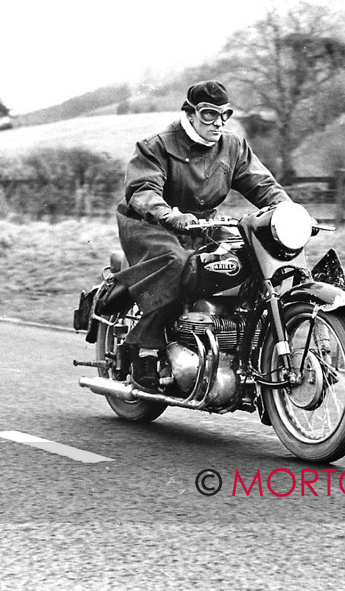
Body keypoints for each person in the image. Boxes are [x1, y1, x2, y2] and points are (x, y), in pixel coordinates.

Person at [113, 80, 292, 391]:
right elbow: (143, 193)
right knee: (177, 265)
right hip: (150, 225)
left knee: (245, 258)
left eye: (224, 114)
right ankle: (140, 348)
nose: (218, 122)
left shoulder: (233, 147)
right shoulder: (157, 145)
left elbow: (263, 186)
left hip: (201, 225)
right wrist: (171, 215)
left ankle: (236, 344)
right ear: (190, 113)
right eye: (209, 114)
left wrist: (290, 213)